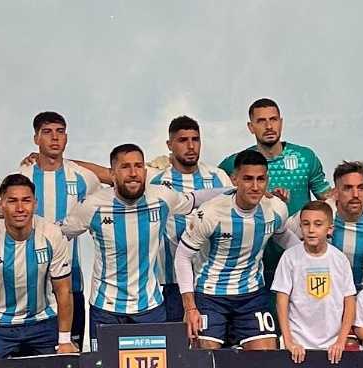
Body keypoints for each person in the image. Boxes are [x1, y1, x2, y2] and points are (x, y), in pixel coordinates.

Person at [60, 143, 226, 348]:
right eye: (125, 167)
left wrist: (237, 191)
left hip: (150, 308)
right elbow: (59, 235)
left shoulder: (161, 197)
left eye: (138, 166)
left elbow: (193, 199)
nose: (133, 173)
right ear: (112, 174)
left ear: (145, 172)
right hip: (106, 309)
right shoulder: (93, 206)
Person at [0, 111, 100, 350]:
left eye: (60, 132)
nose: (54, 138)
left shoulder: (84, 177)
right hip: (13, 290)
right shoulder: (20, 177)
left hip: (69, 283)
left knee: (69, 355)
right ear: (36, 139)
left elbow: (113, 182)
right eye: (47, 132)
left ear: (66, 137)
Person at [219, 98, 332, 322]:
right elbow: (213, 192)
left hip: (298, 259)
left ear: (281, 122)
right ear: (251, 127)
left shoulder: (305, 157)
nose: (269, 126)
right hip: (255, 267)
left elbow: (326, 197)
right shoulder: (235, 163)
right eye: (261, 121)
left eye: (273, 119)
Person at [174, 150, 300, 350]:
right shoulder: (210, 213)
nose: (255, 187)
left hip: (251, 295)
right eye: (248, 179)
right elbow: (183, 256)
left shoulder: (276, 209)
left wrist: (312, 258)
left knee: (267, 355)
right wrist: (190, 307)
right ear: (235, 180)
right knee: (203, 356)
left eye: (261, 179)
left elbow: (282, 235)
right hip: (210, 295)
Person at [0, 175, 79, 359]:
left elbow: (64, 290)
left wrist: (65, 340)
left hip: (44, 320)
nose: (20, 208)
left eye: (26, 201)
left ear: (35, 203)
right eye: (12, 201)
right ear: (0, 205)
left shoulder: (53, 235)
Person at [149, 116, 233, 322]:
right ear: (169, 145)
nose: (191, 146)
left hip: (212, 283)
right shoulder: (156, 181)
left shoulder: (218, 177)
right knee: (177, 340)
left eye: (195, 139)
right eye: (182, 140)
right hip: (171, 283)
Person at [287, 160, 363, 291]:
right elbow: (284, 232)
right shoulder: (320, 214)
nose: (355, 194)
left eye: (360, 188)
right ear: (335, 193)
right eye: (347, 188)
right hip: (328, 294)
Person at [271, 201, 356, 363]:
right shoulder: (290, 257)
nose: (311, 230)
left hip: (332, 346)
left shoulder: (340, 259)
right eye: (306, 224)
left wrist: (340, 342)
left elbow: (350, 303)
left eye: (318, 224)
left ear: (329, 229)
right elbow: (281, 301)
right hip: (297, 345)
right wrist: (289, 341)